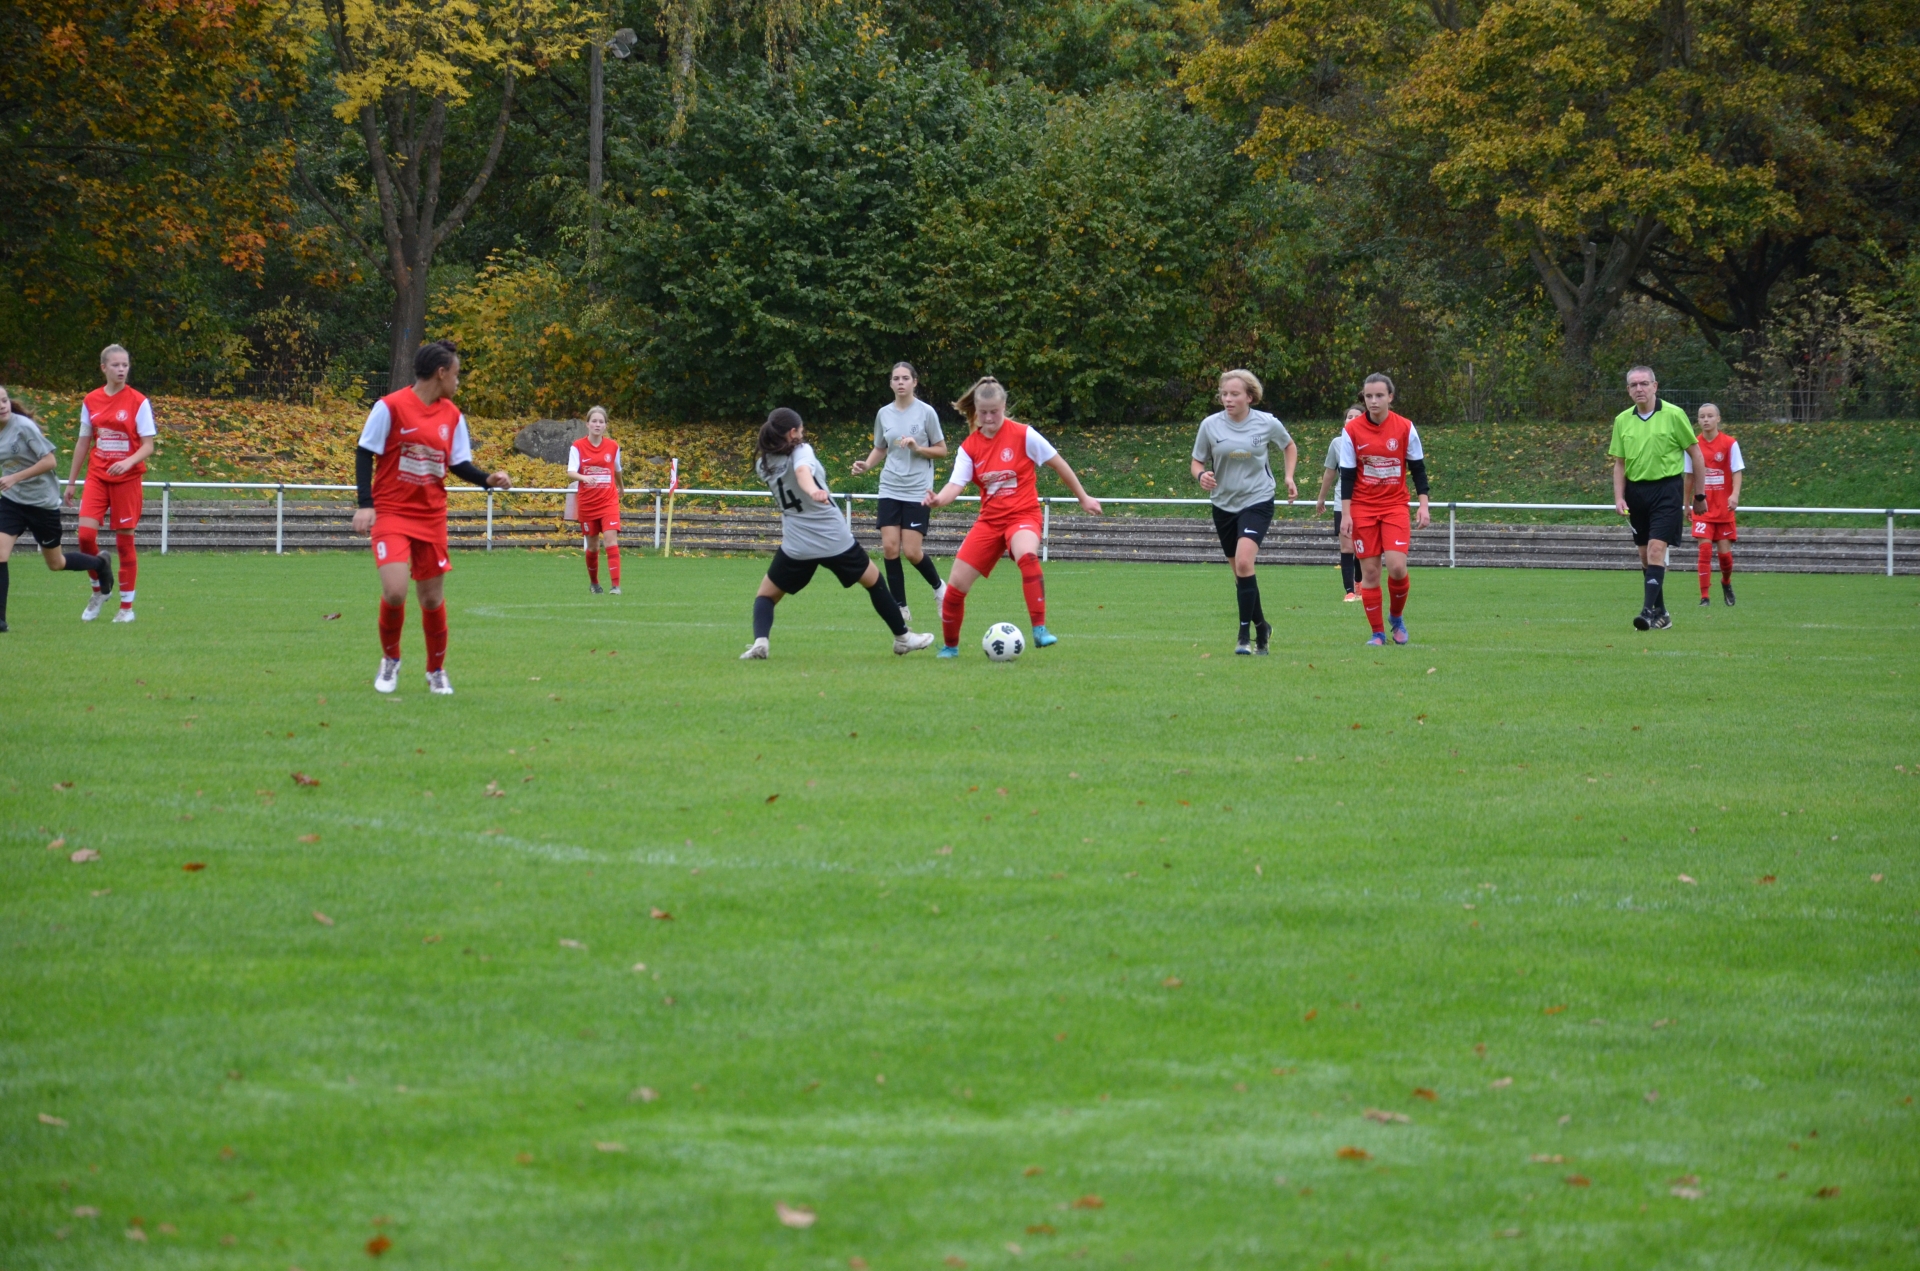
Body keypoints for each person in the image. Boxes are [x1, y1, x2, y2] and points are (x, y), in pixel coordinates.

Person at [351, 340, 511, 694]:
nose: (458, 381)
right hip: (392, 511)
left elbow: (458, 464)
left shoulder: (453, 416)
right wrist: (365, 503)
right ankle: (390, 660)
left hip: (431, 516)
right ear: (441, 373)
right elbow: (364, 451)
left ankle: (435, 670)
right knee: (395, 592)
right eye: (456, 374)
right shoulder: (389, 407)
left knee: (431, 599)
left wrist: (487, 479)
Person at [924, 377, 1101, 657]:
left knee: (1027, 556)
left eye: (994, 412)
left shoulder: (1024, 435)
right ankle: (950, 647)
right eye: (983, 412)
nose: (988, 418)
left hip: (1023, 515)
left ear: (1004, 406)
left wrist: (1083, 497)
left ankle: (1039, 629)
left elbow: (1059, 464)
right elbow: (955, 485)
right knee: (955, 587)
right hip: (990, 521)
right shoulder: (969, 447)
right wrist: (938, 500)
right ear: (976, 411)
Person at [741, 408, 934, 660]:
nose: (803, 435)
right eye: (801, 431)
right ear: (792, 432)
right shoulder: (801, 450)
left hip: (797, 543)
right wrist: (813, 491)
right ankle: (903, 638)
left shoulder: (763, 464)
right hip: (832, 536)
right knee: (874, 581)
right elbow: (802, 472)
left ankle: (761, 642)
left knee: (766, 595)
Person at [1190, 368, 1298, 654]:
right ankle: (1262, 627)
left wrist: (1288, 477)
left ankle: (1243, 636)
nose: (1228, 399)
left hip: (1257, 500)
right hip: (1223, 504)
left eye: (1234, 394)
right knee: (1241, 573)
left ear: (1250, 397)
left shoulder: (1267, 423)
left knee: (1244, 563)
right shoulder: (1210, 425)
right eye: (1224, 394)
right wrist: (1201, 476)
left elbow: (1289, 446)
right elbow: (1197, 462)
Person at [0, 387, 114, 633]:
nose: (2, 405)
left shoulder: (23, 427)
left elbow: (50, 461)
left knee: (56, 563)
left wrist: (15, 477)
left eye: (4, 400)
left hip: (42, 502)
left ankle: (100, 563)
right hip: (12, 501)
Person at [1608, 365, 1708, 631]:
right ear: (1628, 390)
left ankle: (1646, 612)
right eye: (1633, 385)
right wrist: (1619, 497)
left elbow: (1696, 454)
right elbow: (1620, 463)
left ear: (1655, 386)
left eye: (1644, 383)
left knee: (1655, 550)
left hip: (1667, 490)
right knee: (1645, 555)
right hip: (1636, 493)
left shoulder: (1674, 414)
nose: (1639, 389)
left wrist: (1699, 494)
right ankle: (1662, 613)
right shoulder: (1622, 420)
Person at [1336, 373, 1430, 646]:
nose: (1373, 401)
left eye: (1379, 395)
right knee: (1371, 573)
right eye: (1368, 396)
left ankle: (1396, 617)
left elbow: (1418, 470)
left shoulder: (1405, 428)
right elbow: (1347, 475)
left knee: (1397, 567)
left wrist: (1423, 505)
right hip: (1363, 507)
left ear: (1390, 396)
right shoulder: (1352, 431)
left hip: (1394, 506)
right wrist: (1346, 514)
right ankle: (1377, 633)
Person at [851, 362, 948, 623]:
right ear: (891, 383)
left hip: (917, 489)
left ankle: (940, 588)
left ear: (915, 382)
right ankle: (901, 608)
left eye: (906, 378)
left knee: (912, 552)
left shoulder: (926, 413)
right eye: (896, 378)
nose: (901, 382)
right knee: (890, 548)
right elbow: (881, 447)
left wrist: (918, 448)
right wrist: (867, 465)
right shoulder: (883, 414)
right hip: (890, 487)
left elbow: (942, 450)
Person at [63, 344, 153, 622]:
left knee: (125, 543)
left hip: (127, 480)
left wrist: (128, 462)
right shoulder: (91, 400)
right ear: (104, 368)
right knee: (84, 537)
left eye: (125, 365)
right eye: (115, 365)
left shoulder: (139, 401)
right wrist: (71, 482)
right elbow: (83, 441)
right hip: (97, 477)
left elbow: (148, 445)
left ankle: (126, 609)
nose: (121, 369)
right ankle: (100, 589)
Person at [1682, 402, 1742, 607]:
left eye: (1709, 416)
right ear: (1698, 420)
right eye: (1702, 416)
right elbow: (1689, 476)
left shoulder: (1730, 443)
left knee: (1725, 557)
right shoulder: (1693, 445)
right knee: (1705, 551)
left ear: (1718, 419)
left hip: (1724, 508)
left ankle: (1726, 582)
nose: (1706, 420)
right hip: (1703, 508)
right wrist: (1686, 504)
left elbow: (1737, 471)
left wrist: (1734, 495)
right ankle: (1704, 597)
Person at [569, 406, 624, 594]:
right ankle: (594, 584)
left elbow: (617, 469)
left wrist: (621, 486)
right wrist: (584, 478)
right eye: (594, 421)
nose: (597, 425)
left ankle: (615, 586)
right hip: (588, 503)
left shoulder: (613, 446)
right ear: (587, 424)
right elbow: (571, 471)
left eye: (601, 421)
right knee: (592, 546)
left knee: (610, 539)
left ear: (606, 425)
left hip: (608, 501)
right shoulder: (577, 446)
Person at [1316, 403, 1366, 601]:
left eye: (1357, 416)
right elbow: (1330, 472)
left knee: (1362, 547)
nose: (1352, 420)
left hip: (1366, 501)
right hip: (1341, 501)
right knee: (1347, 547)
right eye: (1349, 417)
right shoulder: (1337, 443)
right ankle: (1350, 591)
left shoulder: (1371, 442)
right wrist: (1321, 498)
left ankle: (1360, 583)